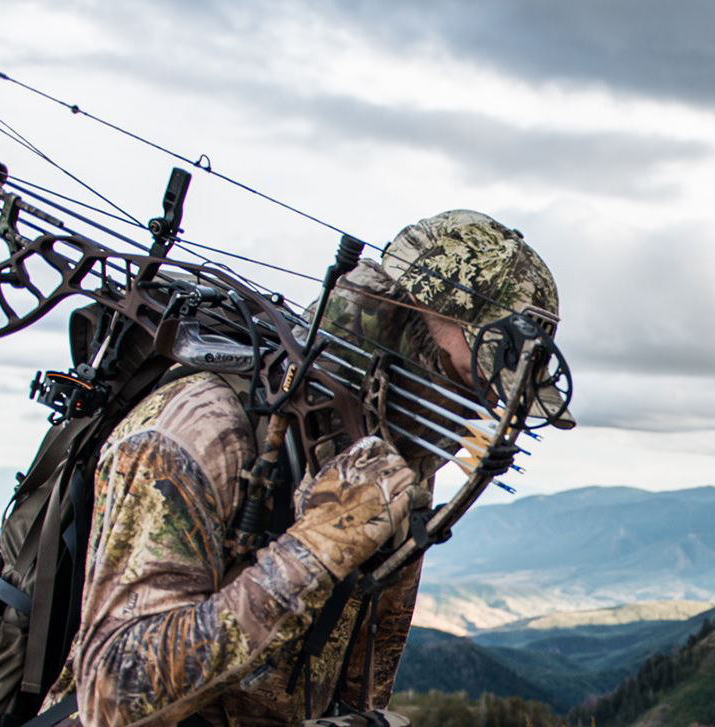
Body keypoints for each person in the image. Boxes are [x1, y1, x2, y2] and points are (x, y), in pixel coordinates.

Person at [38, 210, 574, 726]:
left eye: (494, 392)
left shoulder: (392, 463)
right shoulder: (200, 430)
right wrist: (314, 551)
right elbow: (112, 697)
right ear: (404, 320)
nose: (479, 406)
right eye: (470, 373)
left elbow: (362, 673)